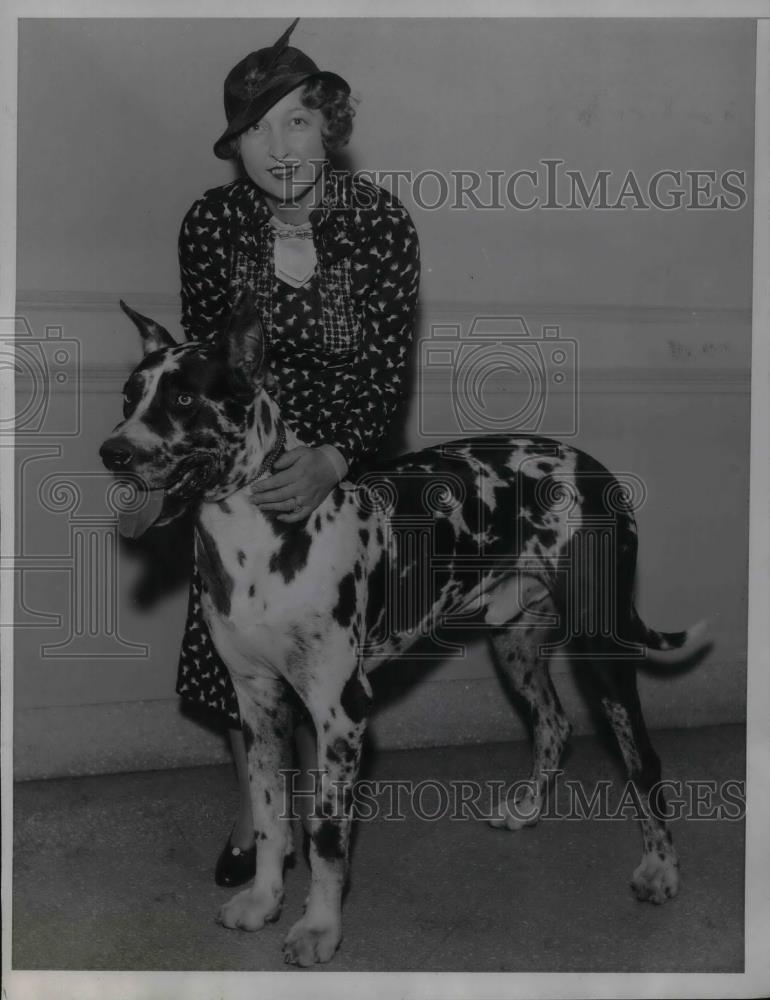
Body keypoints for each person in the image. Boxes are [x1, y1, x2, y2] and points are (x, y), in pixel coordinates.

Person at [174, 19, 421, 886]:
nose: (276, 146)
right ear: (233, 145)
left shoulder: (382, 225)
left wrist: (334, 457)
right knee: (238, 648)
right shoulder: (210, 224)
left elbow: (389, 366)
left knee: (329, 673)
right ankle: (258, 810)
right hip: (243, 469)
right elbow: (209, 370)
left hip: (342, 468)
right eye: (254, 128)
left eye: (297, 121)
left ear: (330, 127)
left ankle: (324, 834)